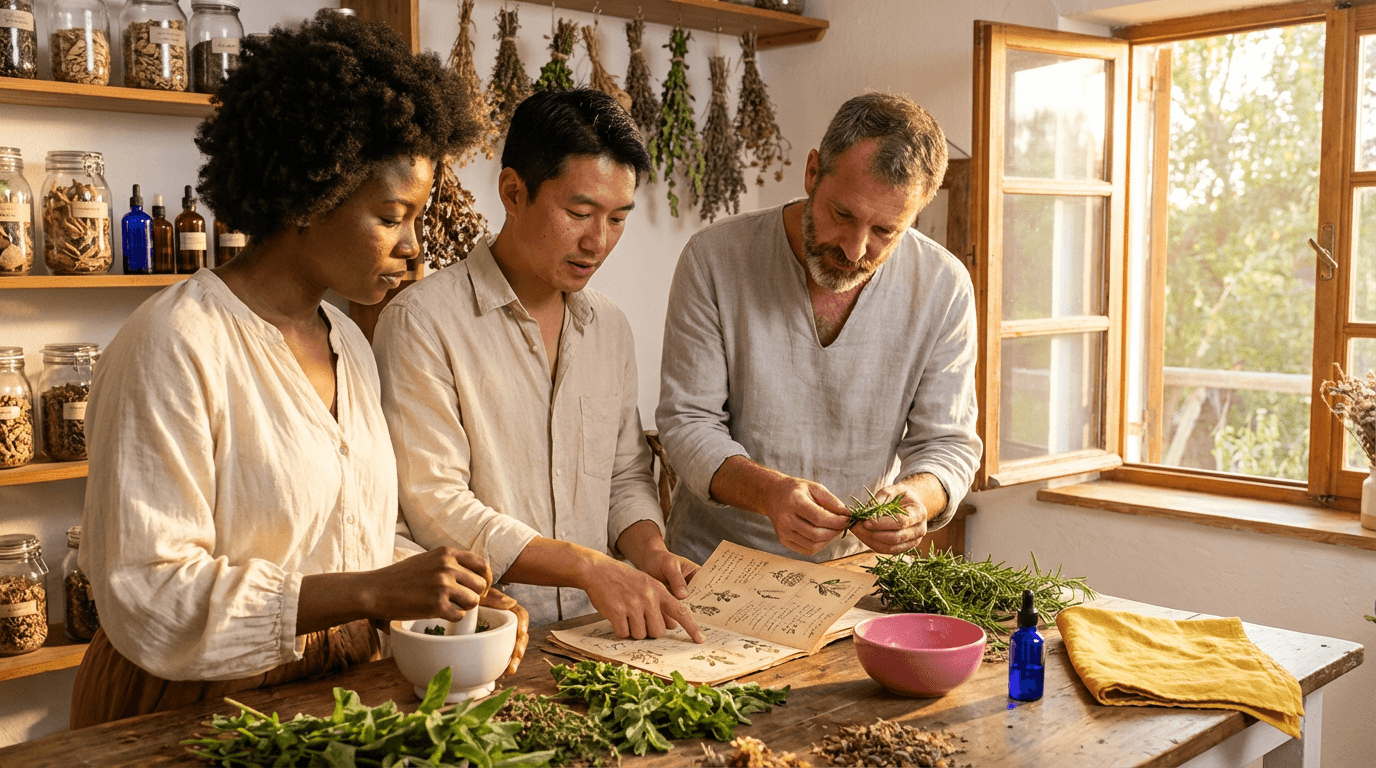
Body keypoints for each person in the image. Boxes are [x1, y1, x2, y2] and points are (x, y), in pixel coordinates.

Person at [72, 12, 525, 728]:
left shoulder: (346, 339)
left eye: (418, 218)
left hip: (330, 698)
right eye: (390, 216)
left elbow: (342, 538)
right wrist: (373, 594)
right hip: (188, 711)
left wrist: (440, 588)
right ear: (310, 199)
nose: (415, 248)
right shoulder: (175, 343)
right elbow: (149, 593)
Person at [373, 89, 704, 643]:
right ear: (513, 191)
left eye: (618, 219)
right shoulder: (422, 322)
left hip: (600, 635)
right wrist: (587, 567)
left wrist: (649, 552)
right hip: (478, 635)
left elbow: (624, 473)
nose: (597, 242)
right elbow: (435, 505)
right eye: (579, 213)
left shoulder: (609, 328)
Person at [656, 92, 982, 565]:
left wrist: (919, 499)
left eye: (885, 232)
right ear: (812, 172)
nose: (854, 249)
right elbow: (687, 422)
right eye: (842, 215)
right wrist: (770, 494)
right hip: (711, 564)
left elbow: (947, 442)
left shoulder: (943, 285)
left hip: (856, 573)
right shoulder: (715, 258)